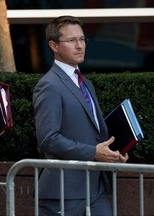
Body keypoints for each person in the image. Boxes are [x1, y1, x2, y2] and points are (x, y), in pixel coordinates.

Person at [32, 15, 129, 216]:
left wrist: (114, 152)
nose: (80, 45)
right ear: (54, 46)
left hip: (96, 188)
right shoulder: (48, 85)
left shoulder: (86, 84)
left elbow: (93, 132)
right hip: (64, 192)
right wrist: (93, 153)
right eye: (72, 40)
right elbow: (48, 139)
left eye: (82, 39)